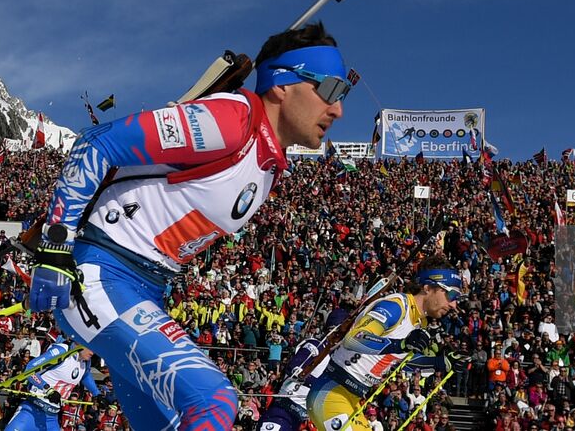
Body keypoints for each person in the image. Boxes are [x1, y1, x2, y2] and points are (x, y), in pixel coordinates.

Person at [27, 22, 351, 430]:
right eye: (331, 91)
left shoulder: (269, 166)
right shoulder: (233, 120)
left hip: (146, 289)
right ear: (283, 84)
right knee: (214, 400)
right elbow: (97, 142)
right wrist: (55, 247)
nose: (338, 109)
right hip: (98, 274)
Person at [307, 260, 465, 431]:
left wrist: (440, 362)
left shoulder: (418, 322)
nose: (453, 304)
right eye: (451, 295)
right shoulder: (397, 306)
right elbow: (353, 339)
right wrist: (401, 344)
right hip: (331, 393)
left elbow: (397, 359)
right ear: (427, 287)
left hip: (353, 399)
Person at [2, 334, 101, 431]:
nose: (93, 353)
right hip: (31, 412)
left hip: (51, 418)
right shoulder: (62, 351)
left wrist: (97, 395)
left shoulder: (86, 361)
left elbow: (85, 375)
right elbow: (30, 370)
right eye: (91, 348)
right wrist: (48, 390)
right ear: (79, 343)